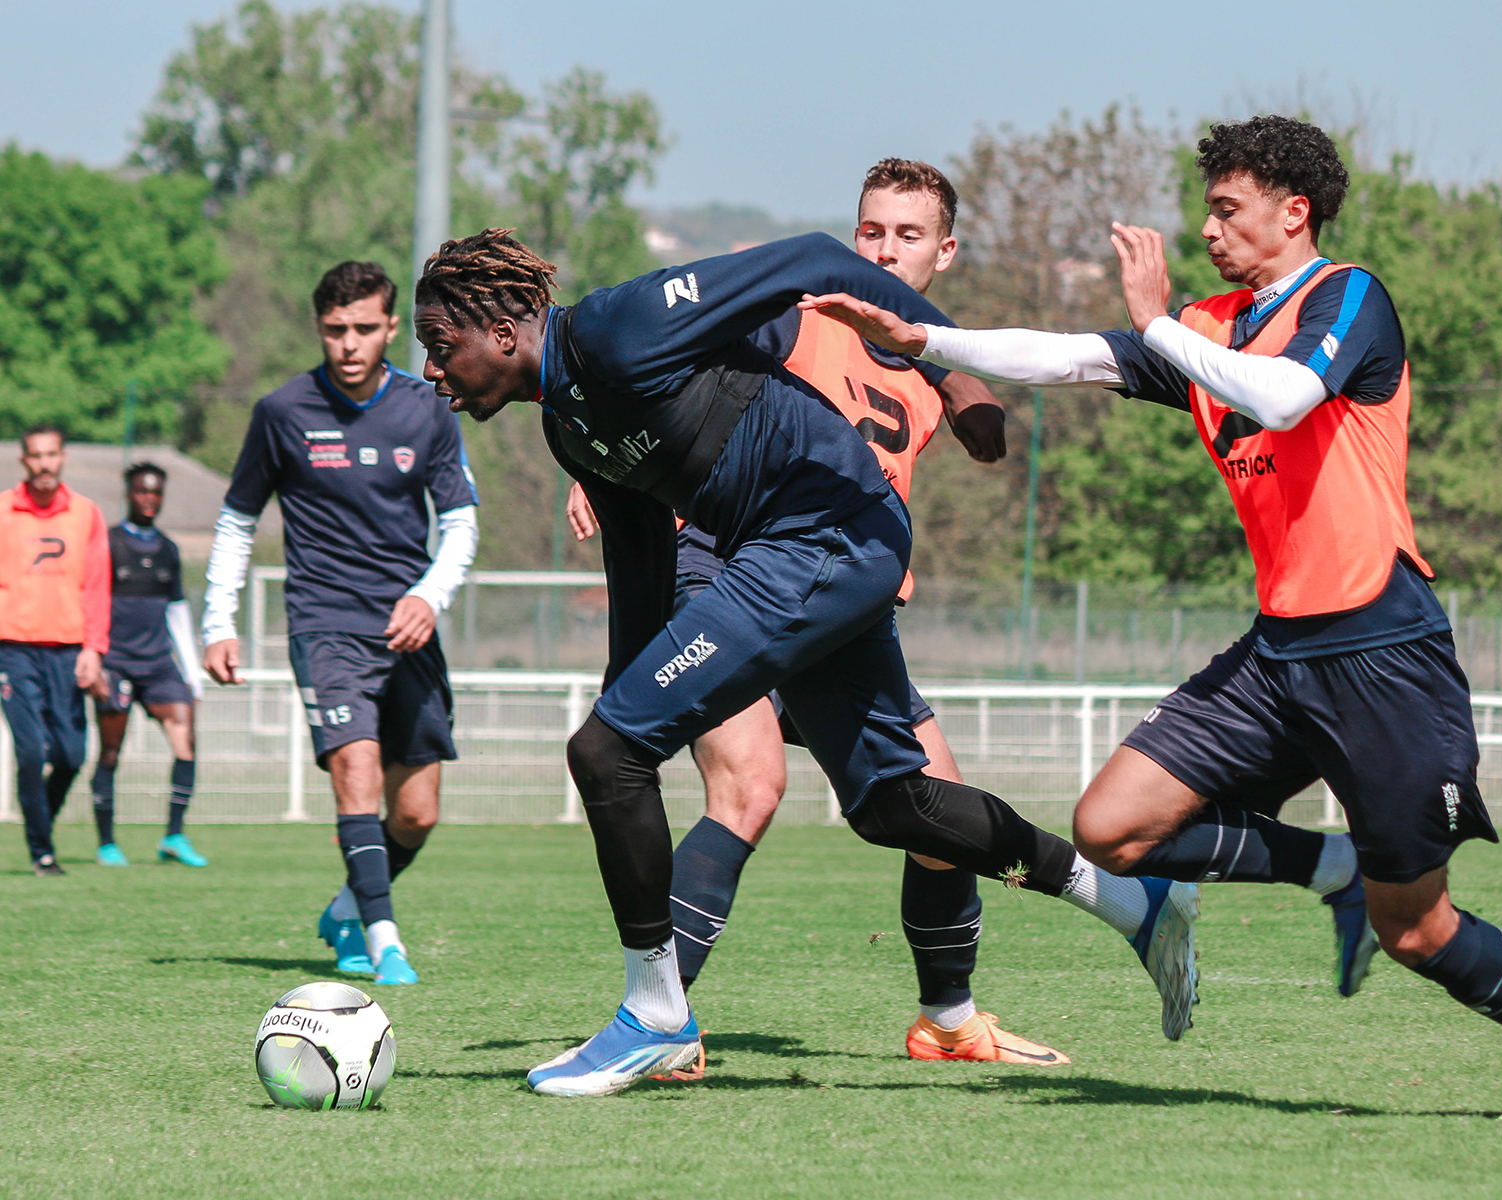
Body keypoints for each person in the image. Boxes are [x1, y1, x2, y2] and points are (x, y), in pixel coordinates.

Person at [802, 114, 1502, 1124]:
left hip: (1385, 654)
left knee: (1415, 929)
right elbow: (1062, 357)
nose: (1209, 229)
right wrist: (921, 339)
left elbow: (1285, 397)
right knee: (1111, 828)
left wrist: (1159, 326)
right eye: (1207, 209)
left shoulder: (1348, 295)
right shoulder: (1207, 324)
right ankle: (1336, 869)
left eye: (1227, 209)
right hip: (1278, 655)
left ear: (1293, 212)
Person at [412, 226, 1198, 1099]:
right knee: (894, 806)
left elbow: (816, 258)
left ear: (504, 332)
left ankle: (657, 1018)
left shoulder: (619, 326)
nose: (433, 371)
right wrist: (628, 710)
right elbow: (640, 562)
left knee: (607, 748)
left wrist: (945, 364)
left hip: (825, 534)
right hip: (812, 549)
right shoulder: (570, 426)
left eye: (440, 346)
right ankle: (1138, 904)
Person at [202, 260, 479, 986]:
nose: (348, 343)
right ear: (319, 328)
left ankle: (347, 907)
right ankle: (384, 940)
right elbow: (236, 522)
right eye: (334, 330)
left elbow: (459, 522)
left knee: (416, 814)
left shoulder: (427, 408)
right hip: (324, 622)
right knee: (355, 769)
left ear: (390, 327)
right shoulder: (282, 412)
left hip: (407, 626)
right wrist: (217, 622)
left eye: (362, 328)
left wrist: (429, 597)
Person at [0, 425, 110, 875]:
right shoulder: (3, 511)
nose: (44, 464)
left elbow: (97, 587)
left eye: (51, 455)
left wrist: (94, 649)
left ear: (62, 458)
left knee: (71, 756)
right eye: (36, 456)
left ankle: (39, 817)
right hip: (14, 649)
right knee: (31, 752)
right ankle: (41, 851)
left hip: (69, 651)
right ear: (23, 460)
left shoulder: (85, 513)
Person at [91, 462, 209, 868]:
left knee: (186, 741)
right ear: (128, 493)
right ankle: (107, 844)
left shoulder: (168, 549)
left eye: (156, 492)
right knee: (111, 752)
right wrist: (92, 656)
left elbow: (177, 610)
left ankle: (174, 836)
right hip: (116, 663)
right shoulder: (108, 543)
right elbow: (91, 601)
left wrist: (192, 673)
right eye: (142, 490)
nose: (149, 498)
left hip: (159, 664)